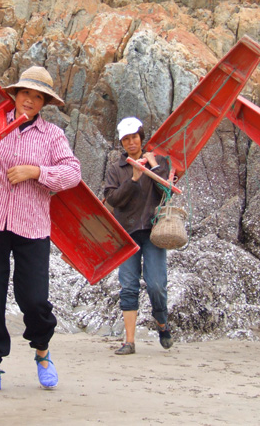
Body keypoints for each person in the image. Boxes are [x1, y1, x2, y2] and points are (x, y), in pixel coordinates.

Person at [0, 66, 81, 394]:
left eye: (37, 96)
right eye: (25, 93)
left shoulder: (52, 136)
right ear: (15, 95)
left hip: (32, 226)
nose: (29, 100)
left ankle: (42, 352)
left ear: (44, 103)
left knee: (34, 298)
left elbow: (73, 173)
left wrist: (36, 171)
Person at [104, 117, 174, 355]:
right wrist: (134, 178)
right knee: (129, 286)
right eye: (126, 139)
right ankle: (129, 341)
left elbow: (167, 193)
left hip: (153, 232)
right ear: (121, 143)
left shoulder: (159, 161)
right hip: (127, 234)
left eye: (134, 137)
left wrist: (152, 168)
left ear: (142, 138)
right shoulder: (116, 169)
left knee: (156, 285)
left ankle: (162, 325)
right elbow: (112, 200)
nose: (131, 142)